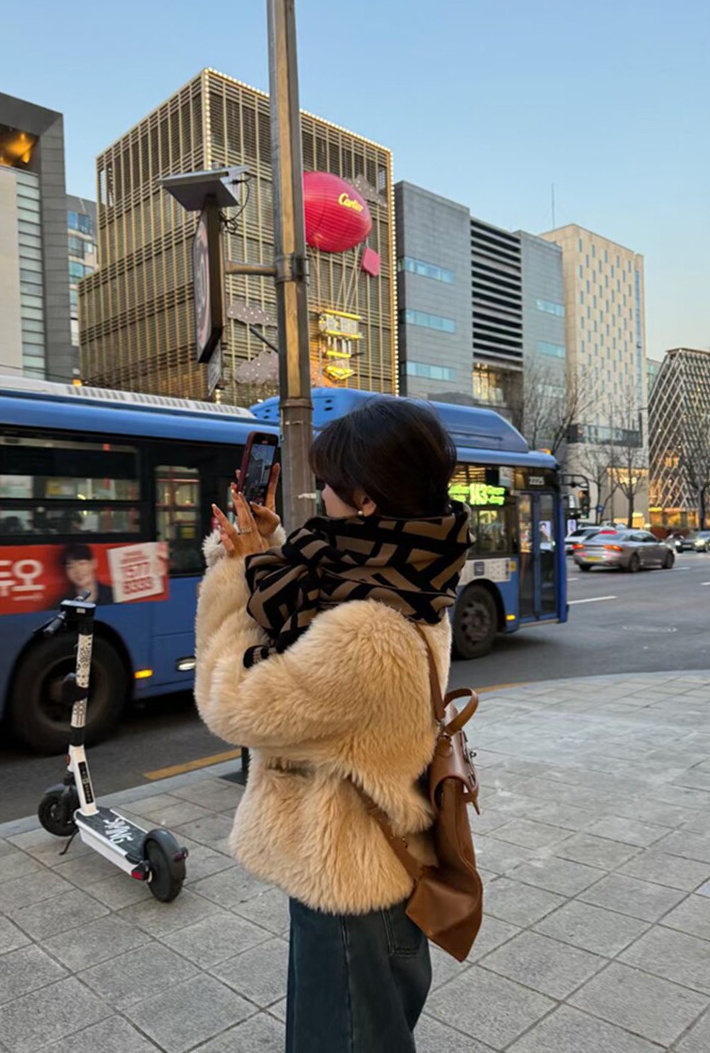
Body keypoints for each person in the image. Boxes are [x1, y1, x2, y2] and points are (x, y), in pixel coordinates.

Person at [195, 398, 472, 1053]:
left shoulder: (366, 634)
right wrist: (267, 550)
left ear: (367, 500)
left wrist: (232, 574)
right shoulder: (410, 576)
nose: (318, 494)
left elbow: (229, 701)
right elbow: (312, 612)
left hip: (352, 894)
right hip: (381, 874)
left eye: (328, 481)